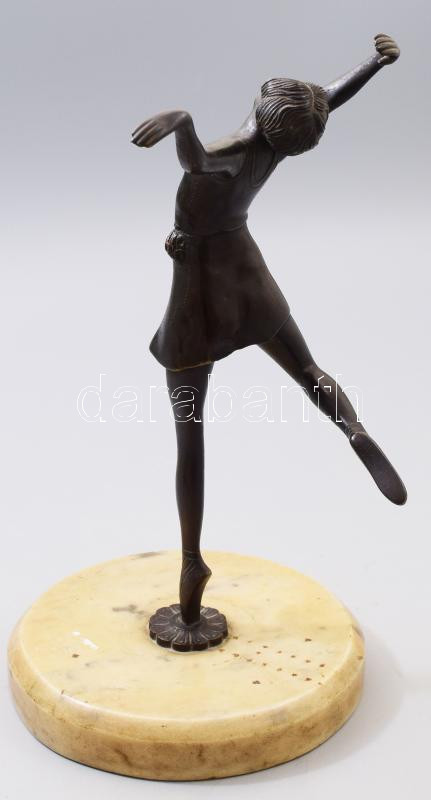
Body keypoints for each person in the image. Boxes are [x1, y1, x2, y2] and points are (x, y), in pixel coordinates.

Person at [132, 34, 407, 633]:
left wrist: (181, 121)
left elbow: (196, 161)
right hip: (247, 272)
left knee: (190, 433)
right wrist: (375, 63)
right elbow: (329, 99)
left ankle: (191, 561)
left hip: (199, 285)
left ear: (262, 106)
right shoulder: (277, 148)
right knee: (307, 368)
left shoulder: (232, 148)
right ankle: (352, 427)